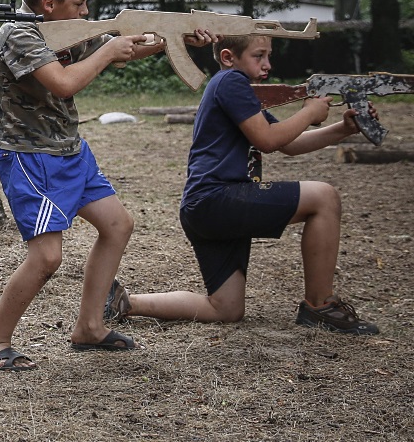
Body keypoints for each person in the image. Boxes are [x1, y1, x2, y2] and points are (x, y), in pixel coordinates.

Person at [0, 0, 213, 372]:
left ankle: (89, 326)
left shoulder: (64, 29)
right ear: (49, 3)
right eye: (79, 3)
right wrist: (108, 52)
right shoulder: (19, 34)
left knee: (117, 224)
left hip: (70, 150)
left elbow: (119, 50)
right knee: (47, 257)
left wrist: (171, 40)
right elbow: (65, 82)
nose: (86, 11)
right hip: (32, 158)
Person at [105, 34, 379, 335]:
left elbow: (287, 142)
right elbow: (268, 140)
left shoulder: (238, 90)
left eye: (269, 56)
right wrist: (309, 112)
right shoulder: (231, 82)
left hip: (204, 207)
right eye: (258, 56)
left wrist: (342, 129)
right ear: (228, 58)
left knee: (225, 307)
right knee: (325, 197)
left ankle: (124, 301)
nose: (267, 64)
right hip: (219, 197)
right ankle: (319, 305)